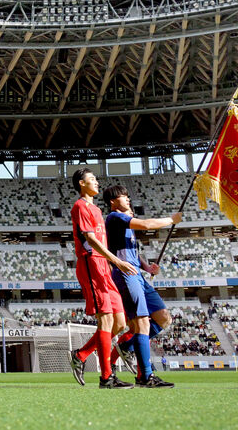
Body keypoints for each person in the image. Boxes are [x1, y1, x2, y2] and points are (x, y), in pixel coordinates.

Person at [66, 167, 137, 389]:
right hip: (91, 264)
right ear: (81, 184)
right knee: (106, 320)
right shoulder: (80, 206)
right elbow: (90, 240)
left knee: (120, 322)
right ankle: (106, 377)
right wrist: (117, 261)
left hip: (103, 266)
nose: (97, 183)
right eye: (92, 179)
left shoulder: (96, 210)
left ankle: (82, 354)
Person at [103, 184, 179, 389]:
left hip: (138, 275)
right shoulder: (115, 218)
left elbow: (132, 251)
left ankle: (126, 345)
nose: (127, 199)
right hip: (126, 275)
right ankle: (146, 376)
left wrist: (147, 267)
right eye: (123, 196)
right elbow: (146, 225)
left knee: (163, 318)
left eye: (128, 196)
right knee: (142, 323)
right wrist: (170, 220)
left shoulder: (125, 225)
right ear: (112, 202)